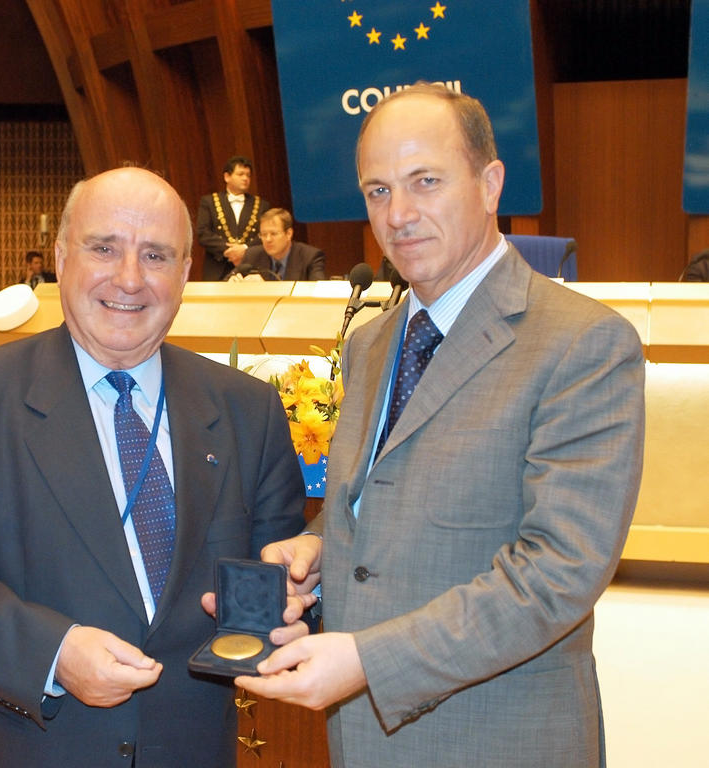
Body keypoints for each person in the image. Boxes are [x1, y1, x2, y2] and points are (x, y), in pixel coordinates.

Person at [235, 83, 646, 767]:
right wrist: (320, 549)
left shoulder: (584, 343)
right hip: (362, 740)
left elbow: (557, 572)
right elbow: (384, 499)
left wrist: (369, 659)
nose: (398, 215)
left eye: (425, 182)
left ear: (490, 185)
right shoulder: (371, 344)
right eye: (377, 191)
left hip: (498, 738)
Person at [0, 166, 307, 767]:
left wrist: (301, 589)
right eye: (104, 248)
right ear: (60, 255)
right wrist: (52, 653)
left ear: (185, 273)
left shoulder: (246, 409)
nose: (128, 279)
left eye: (156, 255)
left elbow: (280, 578)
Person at [196, 155, 269, 280]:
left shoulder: (262, 205)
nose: (245, 178)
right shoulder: (209, 202)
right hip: (217, 268)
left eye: (248, 175)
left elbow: (264, 235)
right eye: (240, 174)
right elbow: (202, 233)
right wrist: (229, 251)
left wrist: (244, 249)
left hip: (250, 269)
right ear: (227, 177)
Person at [240, 208, 326, 280]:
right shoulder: (252, 255)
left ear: (289, 234)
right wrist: (233, 282)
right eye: (263, 234)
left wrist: (265, 287)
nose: (268, 239)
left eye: (273, 234)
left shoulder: (310, 257)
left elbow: (319, 292)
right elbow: (230, 279)